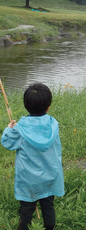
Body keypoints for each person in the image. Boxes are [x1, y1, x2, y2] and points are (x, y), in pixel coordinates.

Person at [1, 83, 65, 230]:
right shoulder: (53, 124)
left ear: (26, 105)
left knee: (26, 211)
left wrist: (9, 129)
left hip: (29, 181)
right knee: (48, 206)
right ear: (48, 106)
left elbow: (7, 142)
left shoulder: (20, 129)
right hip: (50, 176)